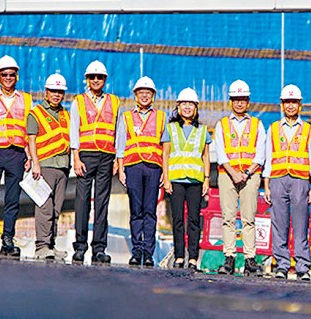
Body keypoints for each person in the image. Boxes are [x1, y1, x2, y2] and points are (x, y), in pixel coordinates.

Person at [0, 55, 38, 258]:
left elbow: (30, 131)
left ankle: (8, 239)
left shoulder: (27, 100)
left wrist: (29, 155)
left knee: (12, 199)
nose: (8, 78)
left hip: (16, 154)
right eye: (4, 74)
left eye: (11, 74)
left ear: (16, 76)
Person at [263, 84, 311, 281]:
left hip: (300, 181)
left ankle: (303, 266)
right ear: (281, 104)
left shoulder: (309, 130)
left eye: (294, 102)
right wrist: (267, 185)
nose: (290, 106)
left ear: (300, 104)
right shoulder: (273, 128)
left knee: (301, 224)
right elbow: (268, 158)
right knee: (279, 224)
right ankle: (282, 265)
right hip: (278, 180)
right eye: (287, 102)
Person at [213, 79, 266, 276]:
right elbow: (221, 153)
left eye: (243, 99)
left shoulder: (257, 125)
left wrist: (247, 173)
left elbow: (260, 154)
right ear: (231, 101)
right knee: (227, 218)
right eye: (236, 99)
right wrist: (234, 173)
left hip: (250, 176)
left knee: (249, 218)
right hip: (227, 174)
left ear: (248, 101)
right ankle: (229, 258)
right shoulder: (222, 125)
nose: (239, 103)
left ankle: (250, 259)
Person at [70, 60, 120, 265]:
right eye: (93, 77)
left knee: (102, 204)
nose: (96, 80)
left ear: (105, 79)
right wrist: (76, 156)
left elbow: (119, 132)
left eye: (99, 77)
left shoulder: (114, 102)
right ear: (87, 80)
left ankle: (99, 248)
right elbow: (74, 129)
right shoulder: (78, 101)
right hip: (86, 156)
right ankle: (80, 246)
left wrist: (118, 158)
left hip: (106, 156)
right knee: (82, 202)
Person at [117, 76, 166, 267]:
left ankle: (149, 252)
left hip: (153, 167)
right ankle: (137, 251)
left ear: (153, 96)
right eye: (141, 92)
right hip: (133, 167)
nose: (144, 96)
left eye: (148, 93)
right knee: (136, 210)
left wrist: (164, 171)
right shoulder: (127, 117)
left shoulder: (161, 117)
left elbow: (165, 146)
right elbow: (120, 145)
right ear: (136, 95)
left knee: (150, 211)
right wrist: (121, 170)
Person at [162, 87, 211, 271]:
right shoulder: (170, 128)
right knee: (177, 219)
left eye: (191, 104)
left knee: (193, 220)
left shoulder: (203, 130)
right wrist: (166, 179)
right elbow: (165, 154)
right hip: (175, 179)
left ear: (196, 107)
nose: (187, 107)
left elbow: (206, 156)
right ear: (178, 107)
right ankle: (179, 256)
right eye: (184, 104)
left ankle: (193, 258)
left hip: (195, 181)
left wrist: (206, 179)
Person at [31, 73, 71, 261]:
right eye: (53, 91)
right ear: (46, 92)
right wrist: (35, 164)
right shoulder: (36, 113)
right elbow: (31, 140)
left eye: (60, 92)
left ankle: (51, 245)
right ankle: (41, 246)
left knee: (56, 209)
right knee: (44, 207)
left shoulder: (66, 114)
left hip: (63, 167)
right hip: (45, 166)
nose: (56, 94)